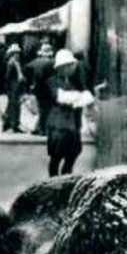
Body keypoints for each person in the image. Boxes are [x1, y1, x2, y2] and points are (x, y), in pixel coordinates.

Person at [46, 49, 93, 177]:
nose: (73, 67)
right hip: (59, 126)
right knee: (56, 156)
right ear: (63, 67)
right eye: (70, 65)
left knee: (74, 151)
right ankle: (54, 181)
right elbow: (62, 97)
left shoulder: (74, 82)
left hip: (72, 126)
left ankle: (66, 175)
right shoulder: (52, 81)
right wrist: (78, 97)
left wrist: (77, 98)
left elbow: (88, 97)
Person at [29, 40, 55, 136]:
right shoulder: (51, 63)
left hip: (39, 90)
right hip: (48, 90)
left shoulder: (36, 62)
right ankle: (42, 129)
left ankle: (39, 128)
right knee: (46, 110)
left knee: (42, 110)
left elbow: (32, 73)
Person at [2, 43, 26, 133]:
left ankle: (8, 124)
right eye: (16, 53)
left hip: (15, 88)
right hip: (13, 89)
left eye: (18, 53)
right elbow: (7, 77)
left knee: (12, 106)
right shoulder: (12, 63)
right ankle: (13, 125)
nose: (18, 55)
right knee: (14, 107)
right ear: (12, 53)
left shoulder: (16, 63)